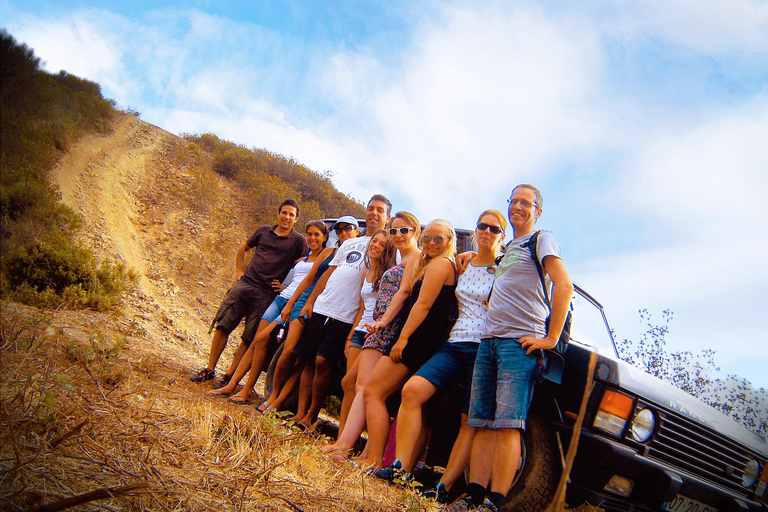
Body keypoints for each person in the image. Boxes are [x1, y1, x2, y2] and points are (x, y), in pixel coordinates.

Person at [445, 185, 573, 512]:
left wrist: (550, 338)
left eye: (525, 203)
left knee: (508, 424)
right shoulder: (510, 248)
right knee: (483, 422)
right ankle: (474, 495)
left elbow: (564, 284)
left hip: (519, 344)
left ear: (538, 211)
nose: (518, 207)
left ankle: (496, 501)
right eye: (513, 201)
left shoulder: (541, 239)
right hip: (488, 342)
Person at [379, 210, 506, 499]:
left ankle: (443, 487)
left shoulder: (505, 267)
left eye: (494, 229)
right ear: (475, 231)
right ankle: (400, 467)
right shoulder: (464, 264)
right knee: (412, 391)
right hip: (454, 343)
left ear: (502, 235)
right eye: (482, 226)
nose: (487, 231)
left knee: (469, 419)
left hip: (484, 349)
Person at [359, 219, 459, 471]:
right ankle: (401, 466)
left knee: (374, 392)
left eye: (439, 239)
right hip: (430, 341)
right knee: (418, 407)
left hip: (417, 339)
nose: (432, 243)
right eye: (428, 238)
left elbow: (421, 306)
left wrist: (402, 339)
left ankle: (374, 459)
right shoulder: (445, 265)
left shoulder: (440, 264)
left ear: (450, 242)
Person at [321, 211, 421, 459]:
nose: (398, 235)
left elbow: (405, 292)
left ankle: (347, 448)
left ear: (416, 232)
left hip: (386, 329)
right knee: (359, 387)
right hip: (378, 328)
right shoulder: (404, 259)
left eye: (404, 230)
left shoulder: (415, 258)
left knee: (366, 389)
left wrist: (383, 322)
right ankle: (355, 449)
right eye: (394, 230)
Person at [289, 195, 392, 429]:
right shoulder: (349, 242)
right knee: (307, 361)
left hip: (347, 316)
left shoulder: (387, 247)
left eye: (380, 210)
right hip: (323, 306)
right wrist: (310, 302)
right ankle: (301, 414)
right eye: (370, 208)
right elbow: (328, 273)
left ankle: (312, 416)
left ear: (387, 217)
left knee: (323, 362)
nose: (374, 213)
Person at [208, 220, 330, 403]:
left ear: (325, 237)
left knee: (263, 339)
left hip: (296, 303)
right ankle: (231, 385)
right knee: (257, 341)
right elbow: (296, 278)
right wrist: (283, 287)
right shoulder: (302, 259)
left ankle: (247, 390)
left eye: (317, 235)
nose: (312, 238)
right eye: (309, 234)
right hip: (281, 298)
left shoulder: (326, 260)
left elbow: (316, 283)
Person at [190, 199, 308, 383]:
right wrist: (239, 271)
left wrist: (287, 288)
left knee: (249, 337)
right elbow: (243, 249)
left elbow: (306, 268)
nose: (287, 217)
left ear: (297, 219)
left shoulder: (299, 241)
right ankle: (209, 369)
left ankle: (228, 377)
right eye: (284, 213)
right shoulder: (263, 231)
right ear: (278, 214)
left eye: (291, 215)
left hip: (267, 293)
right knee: (223, 325)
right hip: (245, 284)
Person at [259, 216, 359, 413]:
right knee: (290, 351)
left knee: (304, 359)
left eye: (348, 228)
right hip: (307, 301)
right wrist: (291, 304)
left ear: (357, 231)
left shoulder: (359, 258)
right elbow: (308, 278)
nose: (344, 233)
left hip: (329, 310)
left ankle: (279, 401)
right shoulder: (329, 252)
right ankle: (273, 395)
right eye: (339, 230)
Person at [335, 230, 398, 431]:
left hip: (376, 333)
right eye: (374, 241)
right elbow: (363, 308)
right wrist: (350, 336)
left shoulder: (391, 275)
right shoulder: (366, 274)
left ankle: (349, 439)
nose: (375, 246)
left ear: (388, 250)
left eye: (381, 244)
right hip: (360, 330)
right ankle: (342, 436)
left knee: (357, 384)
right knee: (348, 385)